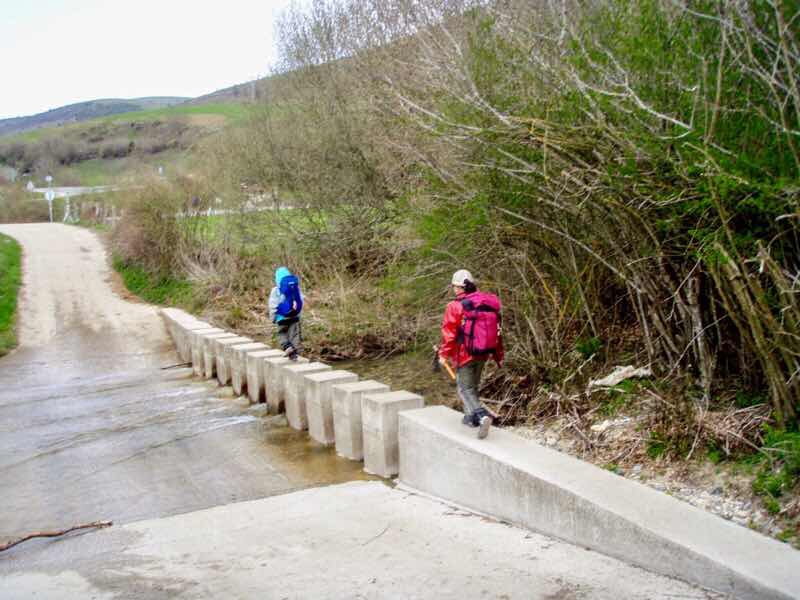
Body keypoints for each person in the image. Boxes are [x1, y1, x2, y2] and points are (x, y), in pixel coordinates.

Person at [438, 269, 503, 439]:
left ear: (459, 288)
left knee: (464, 388)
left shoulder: (454, 306)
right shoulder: (484, 302)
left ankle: (481, 417)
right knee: (473, 386)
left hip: (464, 354)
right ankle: (470, 418)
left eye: (454, 286)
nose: (454, 289)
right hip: (483, 351)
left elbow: (449, 334)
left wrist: (444, 354)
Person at [268, 266, 304, 360]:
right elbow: (301, 301)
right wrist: (298, 315)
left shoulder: (275, 290)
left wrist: (273, 318)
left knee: (282, 333)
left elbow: (272, 305)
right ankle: (295, 354)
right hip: (294, 316)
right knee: (294, 335)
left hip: (281, 318)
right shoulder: (295, 288)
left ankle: (287, 347)